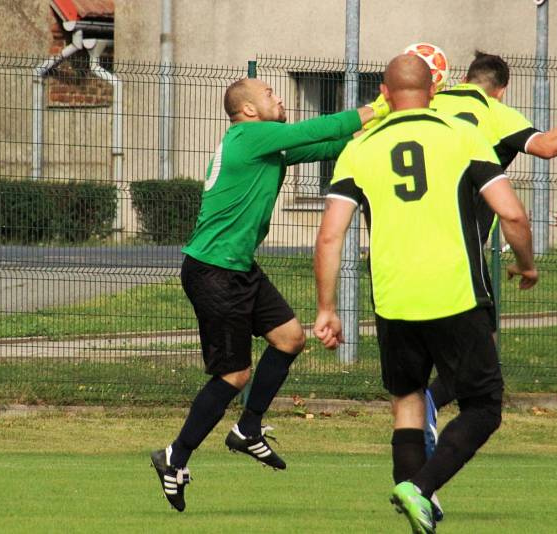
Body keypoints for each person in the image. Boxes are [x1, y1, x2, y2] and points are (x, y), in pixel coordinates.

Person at [313, 54, 537, 534]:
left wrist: (327, 308)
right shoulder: (461, 135)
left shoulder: (362, 147)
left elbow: (331, 235)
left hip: (393, 300)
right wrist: (526, 264)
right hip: (456, 294)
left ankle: (417, 500)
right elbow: (513, 215)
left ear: (386, 94)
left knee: (408, 400)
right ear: (433, 91)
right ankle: (421, 487)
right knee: (484, 405)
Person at [150, 77, 385, 512]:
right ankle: (174, 457)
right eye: (271, 94)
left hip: (238, 269)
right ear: (250, 110)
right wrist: (385, 104)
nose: (279, 97)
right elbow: (318, 130)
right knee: (234, 376)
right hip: (213, 272)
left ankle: (247, 430)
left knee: (290, 338)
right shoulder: (249, 135)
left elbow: (332, 145)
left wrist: (389, 127)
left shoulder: (265, 144)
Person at [424, 50, 557, 456]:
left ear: (464, 78)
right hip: (459, 253)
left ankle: (415, 422)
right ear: (501, 90)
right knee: (482, 354)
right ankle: (428, 416)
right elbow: (548, 146)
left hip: (403, 248)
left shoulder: (431, 102)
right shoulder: (493, 113)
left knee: (423, 347)